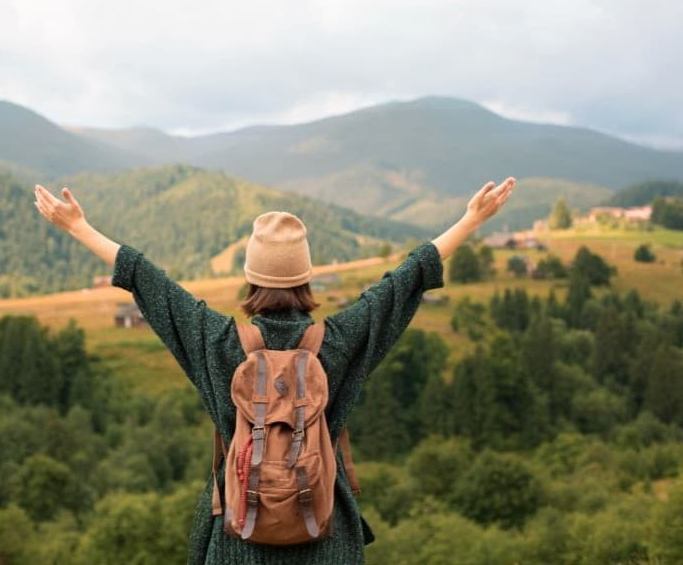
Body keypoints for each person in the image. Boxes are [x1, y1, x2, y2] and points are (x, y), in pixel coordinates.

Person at [33, 176, 516, 564]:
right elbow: (406, 280)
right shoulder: (342, 339)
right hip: (326, 533)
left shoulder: (217, 341)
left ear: (251, 278)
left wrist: (78, 227)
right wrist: (471, 220)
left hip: (238, 534)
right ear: (305, 277)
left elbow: (148, 281)